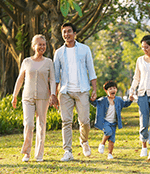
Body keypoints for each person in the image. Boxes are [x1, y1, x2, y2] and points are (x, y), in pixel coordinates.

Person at [53, 22, 97, 161]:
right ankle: (67, 151)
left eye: (69, 31)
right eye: (64, 32)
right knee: (66, 121)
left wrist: (94, 89)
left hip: (82, 90)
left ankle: (84, 141)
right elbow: (55, 76)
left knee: (84, 121)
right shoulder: (58, 52)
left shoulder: (85, 49)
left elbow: (91, 70)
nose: (66, 34)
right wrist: (53, 94)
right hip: (65, 91)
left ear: (75, 33)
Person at [11, 34, 56, 162]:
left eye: (44, 44)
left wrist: (53, 94)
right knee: (29, 124)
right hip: (27, 97)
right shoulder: (26, 61)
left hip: (43, 97)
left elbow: (52, 80)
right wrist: (15, 96)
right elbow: (20, 79)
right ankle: (26, 152)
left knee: (41, 125)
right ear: (33, 46)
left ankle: (39, 154)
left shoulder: (48, 62)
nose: (42, 47)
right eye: (39, 44)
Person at [90, 81, 133, 159]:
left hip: (114, 123)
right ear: (106, 91)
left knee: (112, 140)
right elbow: (95, 103)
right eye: (110, 89)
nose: (113, 90)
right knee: (108, 132)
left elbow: (125, 104)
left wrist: (130, 100)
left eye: (114, 88)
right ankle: (102, 144)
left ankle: (110, 154)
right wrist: (92, 99)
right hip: (105, 122)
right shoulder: (103, 100)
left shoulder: (119, 100)